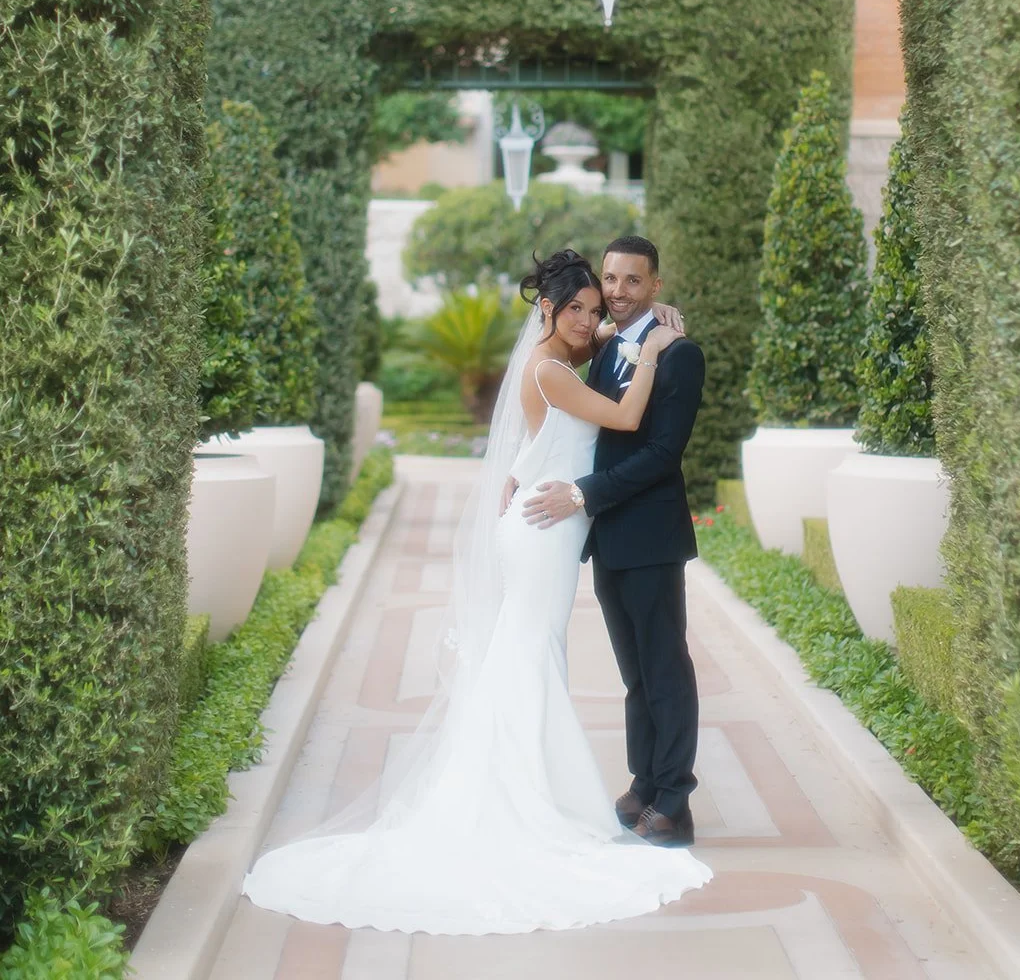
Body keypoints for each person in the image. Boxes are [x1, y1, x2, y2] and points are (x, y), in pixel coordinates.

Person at [241, 248, 711, 934]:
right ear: (547, 309)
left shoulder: (610, 347)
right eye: (588, 295)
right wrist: (644, 348)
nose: (601, 304)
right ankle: (552, 797)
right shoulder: (561, 362)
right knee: (544, 653)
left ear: (651, 286)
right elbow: (616, 420)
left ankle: (658, 795)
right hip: (552, 527)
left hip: (581, 524)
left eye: (617, 287)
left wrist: (645, 340)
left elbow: (638, 436)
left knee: (611, 660)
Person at [520, 235, 705, 847]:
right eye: (611, 281)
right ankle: (645, 781)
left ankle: (675, 800)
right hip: (608, 538)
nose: (618, 293)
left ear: (655, 285)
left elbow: (659, 454)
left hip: (650, 535)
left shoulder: (679, 355)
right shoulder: (605, 346)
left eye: (632, 281)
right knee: (634, 672)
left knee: (665, 667)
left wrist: (582, 494)